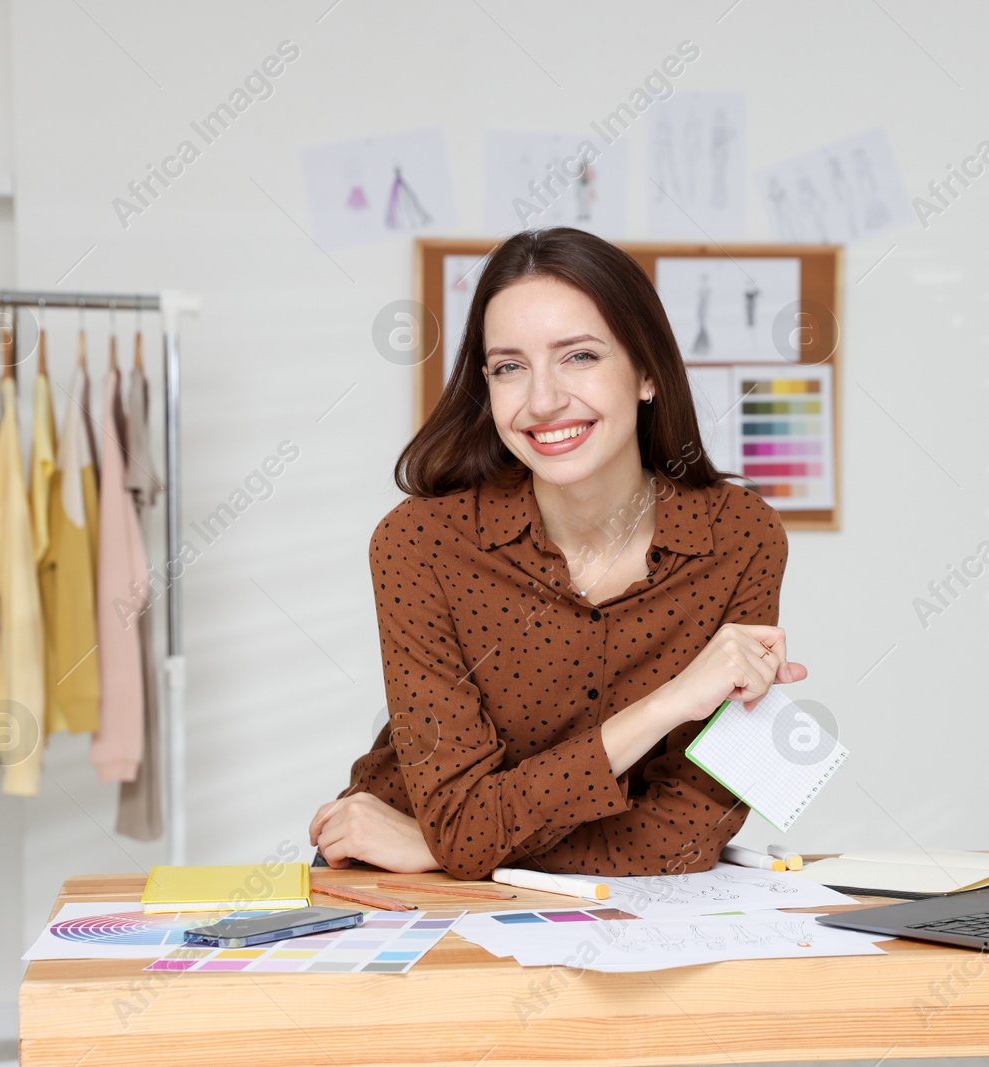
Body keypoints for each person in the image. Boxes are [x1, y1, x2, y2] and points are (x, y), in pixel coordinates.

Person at [309, 227, 805, 879]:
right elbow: (458, 819)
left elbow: (686, 833)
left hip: (439, 860)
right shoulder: (419, 544)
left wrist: (444, 849)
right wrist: (666, 704)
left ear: (648, 371)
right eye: (510, 366)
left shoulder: (741, 537)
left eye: (579, 356)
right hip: (406, 888)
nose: (542, 400)